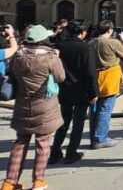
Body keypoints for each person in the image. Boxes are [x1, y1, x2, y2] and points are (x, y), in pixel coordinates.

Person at [3, 25, 65, 190]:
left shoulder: (18, 55)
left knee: (20, 142)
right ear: (44, 39)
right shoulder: (50, 57)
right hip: (45, 105)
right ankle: (38, 180)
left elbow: (11, 72)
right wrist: (57, 58)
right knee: (43, 143)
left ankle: (9, 182)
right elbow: (60, 77)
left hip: (23, 104)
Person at [49, 20, 98, 165]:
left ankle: (55, 151)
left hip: (63, 88)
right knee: (78, 122)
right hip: (81, 89)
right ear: (82, 32)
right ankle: (71, 152)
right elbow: (90, 72)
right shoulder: (85, 47)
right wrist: (94, 92)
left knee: (63, 120)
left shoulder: (59, 46)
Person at [89, 20, 123, 149]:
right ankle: (101, 138)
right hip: (110, 76)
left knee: (94, 110)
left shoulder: (91, 42)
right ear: (110, 30)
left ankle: (94, 137)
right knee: (105, 109)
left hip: (95, 76)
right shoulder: (112, 42)